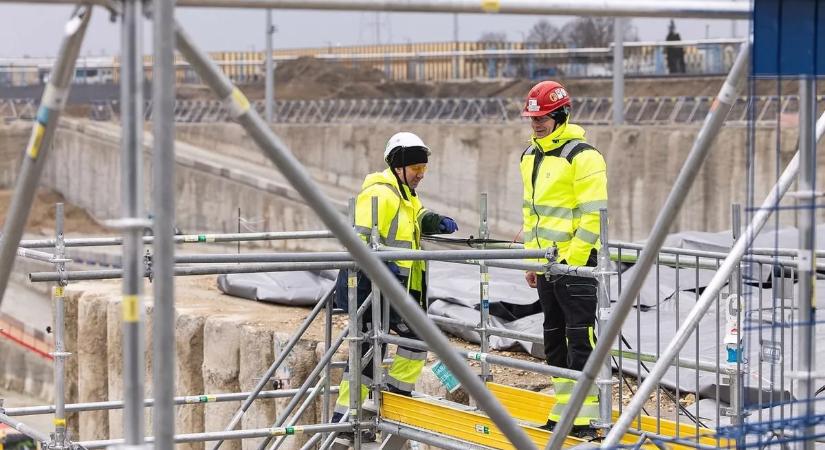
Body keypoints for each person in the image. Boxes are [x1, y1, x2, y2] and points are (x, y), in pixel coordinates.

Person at [332, 131, 458, 444]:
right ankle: (349, 416)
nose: (420, 174)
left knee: (384, 347)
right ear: (398, 165)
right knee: (369, 350)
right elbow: (356, 239)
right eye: (416, 168)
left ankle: (383, 400)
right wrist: (378, 261)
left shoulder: (405, 196)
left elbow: (415, 216)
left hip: (393, 288)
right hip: (368, 287)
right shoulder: (379, 194)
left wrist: (433, 221)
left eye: (424, 169)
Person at [519, 80, 607, 440]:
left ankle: (584, 420)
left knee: (580, 340)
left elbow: (593, 216)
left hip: (575, 268)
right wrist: (532, 260)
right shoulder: (529, 157)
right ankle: (563, 414)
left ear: (561, 114)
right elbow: (531, 214)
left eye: (543, 117)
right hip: (547, 267)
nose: (537, 124)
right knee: (553, 340)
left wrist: (572, 261)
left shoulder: (583, 156)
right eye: (533, 118)